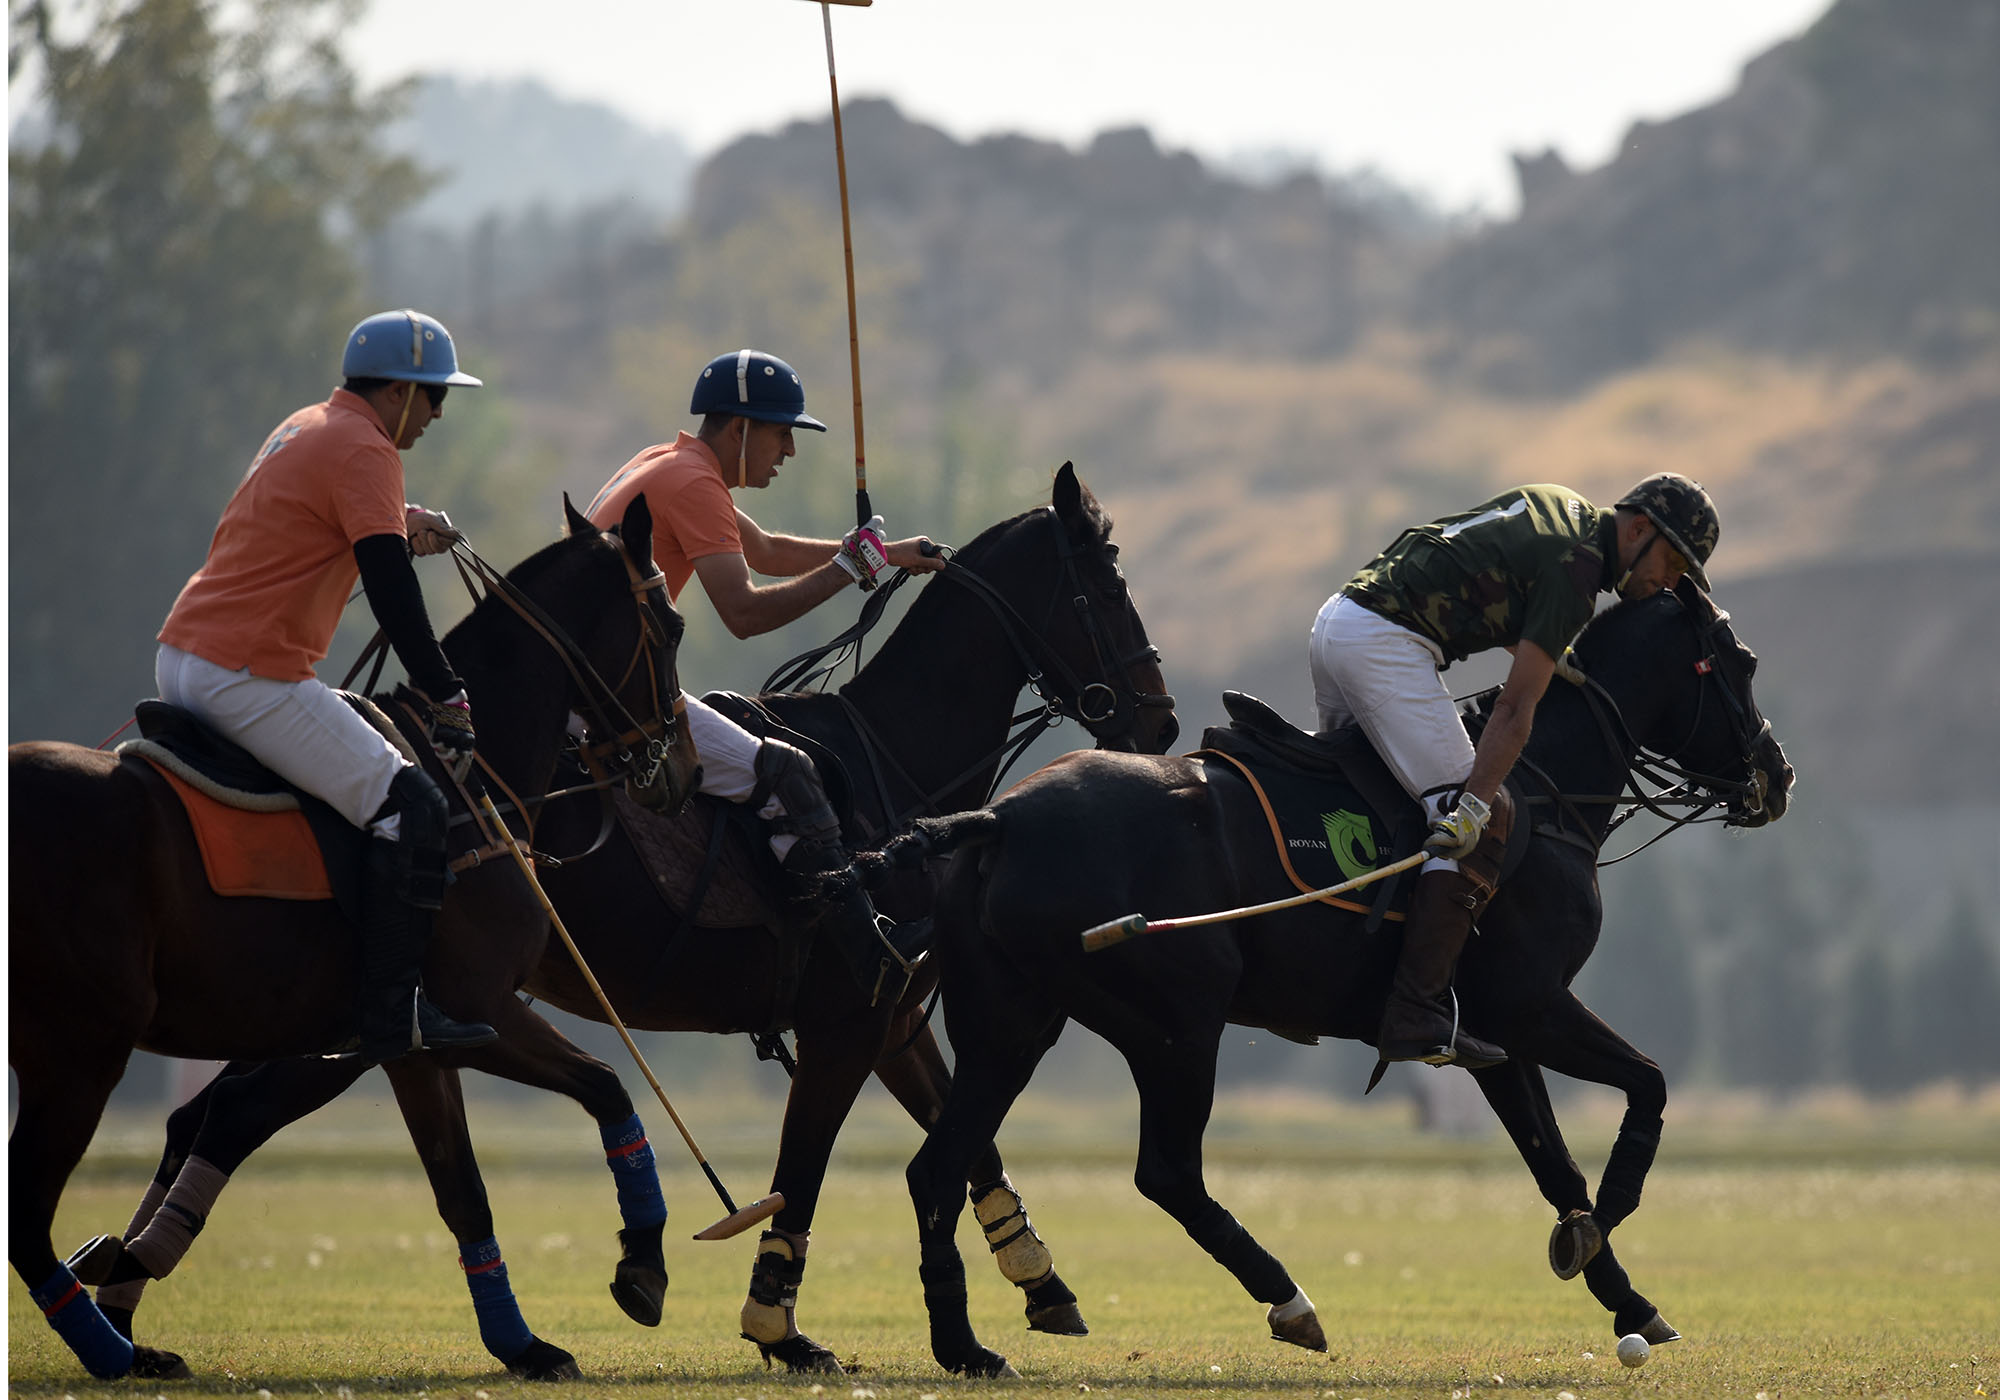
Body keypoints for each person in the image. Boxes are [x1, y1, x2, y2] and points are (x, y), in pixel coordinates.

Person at [155, 308, 498, 1063]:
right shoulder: (366, 448)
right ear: (399, 393)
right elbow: (390, 587)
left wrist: (401, 519)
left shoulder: (310, 424)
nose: (440, 412)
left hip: (186, 654)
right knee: (413, 807)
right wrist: (445, 690)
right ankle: (391, 1014)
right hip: (246, 673)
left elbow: (324, 516)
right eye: (434, 395)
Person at [1309, 474, 1721, 1070]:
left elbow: (1489, 587)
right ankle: (1416, 1009)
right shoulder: (1578, 575)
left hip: (1338, 621)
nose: (1671, 582)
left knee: (1362, 806)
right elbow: (1513, 709)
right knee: (1484, 820)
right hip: (1383, 644)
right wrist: (1474, 807)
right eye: (1673, 560)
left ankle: (1324, 966)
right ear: (1637, 529)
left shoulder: (1564, 509)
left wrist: (1557, 657)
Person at [585, 349, 946, 999]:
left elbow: (765, 550)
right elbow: (744, 613)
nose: (789, 451)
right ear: (739, 429)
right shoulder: (692, 483)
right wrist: (844, 573)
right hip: (609, 698)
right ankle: (862, 954)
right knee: (787, 772)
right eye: (783, 433)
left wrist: (880, 555)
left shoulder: (670, 464)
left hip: (591, 681)